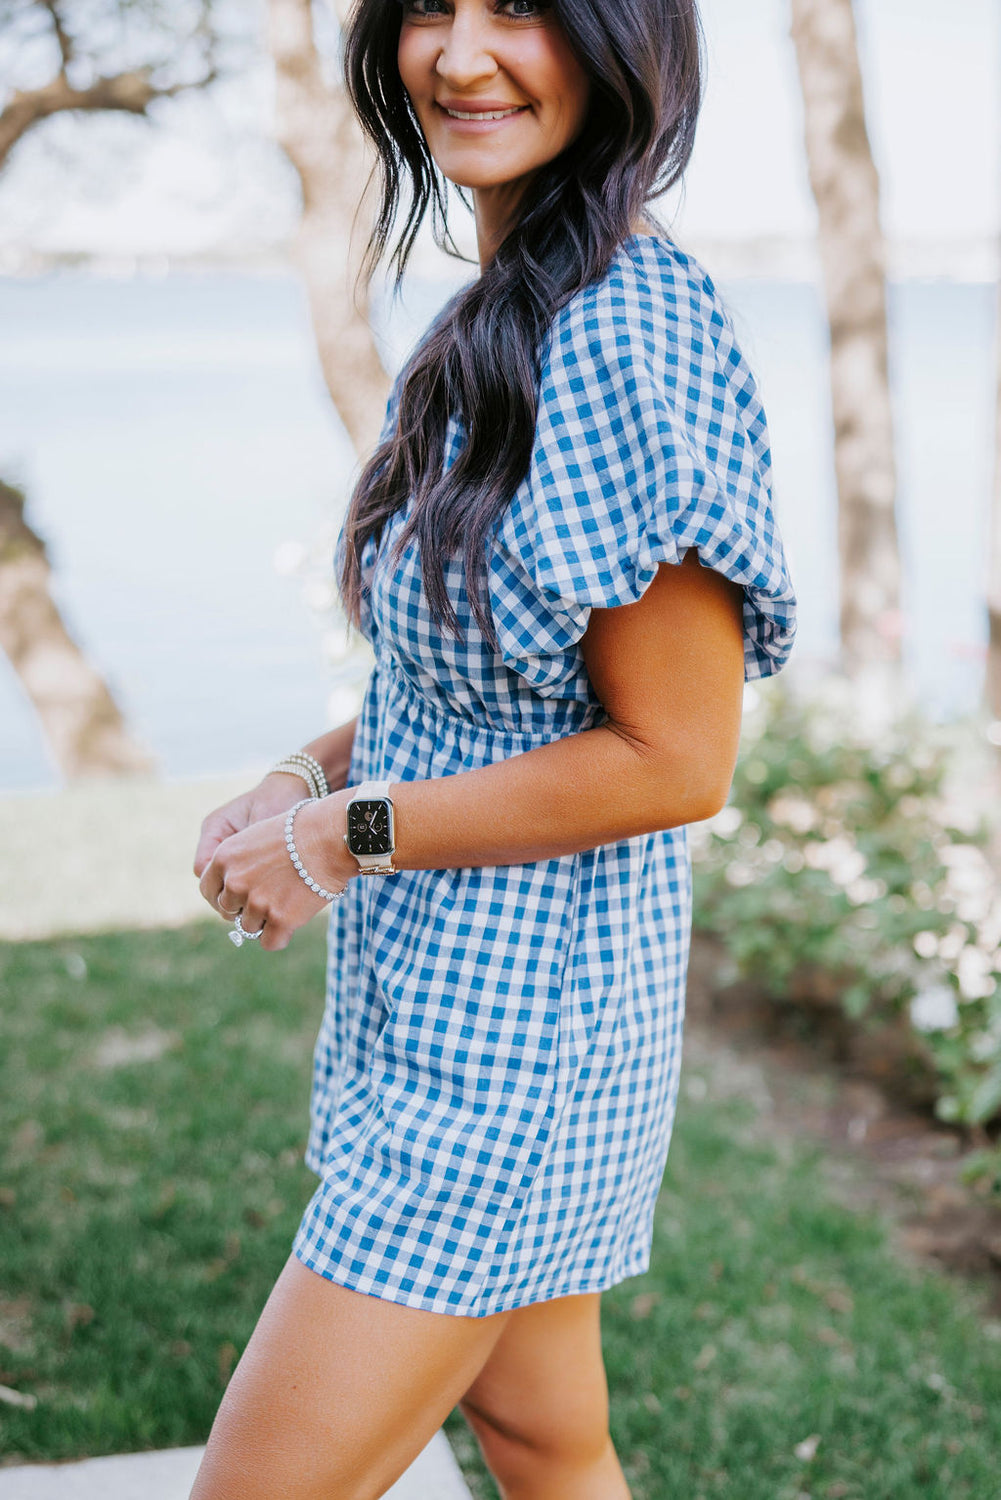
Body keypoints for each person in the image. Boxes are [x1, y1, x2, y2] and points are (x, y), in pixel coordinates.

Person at [190, 0, 797, 1496]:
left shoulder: (623, 335)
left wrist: (344, 837)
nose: (460, 55)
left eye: (519, 6)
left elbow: (672, 757)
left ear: (620, 37)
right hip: (458, 1011)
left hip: (520, 1048)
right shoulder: (516, 296)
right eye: (429, 8)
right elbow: (483, 686)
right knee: (542, 1437)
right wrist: (302, 777)